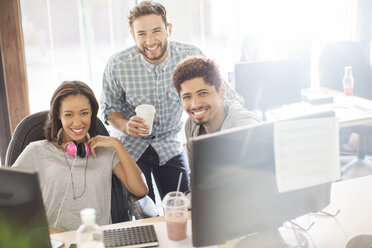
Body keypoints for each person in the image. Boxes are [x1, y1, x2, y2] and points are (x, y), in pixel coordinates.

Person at [100, 1, 243, 202]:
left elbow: (227, 96)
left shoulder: (189, 55)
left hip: (168, 145)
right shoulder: (117, 64)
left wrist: (241, 130)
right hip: (131, 147)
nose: (150, 41)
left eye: (156, 31)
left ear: (169, 29)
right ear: (132, 35)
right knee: (142, 210)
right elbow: (109, 110)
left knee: (181, 204)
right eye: (141, 34)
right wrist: (125, 125)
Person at [12, 81, 148, 231]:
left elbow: (140, 190)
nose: (77, 122)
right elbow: (8, 200)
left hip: (98, 240)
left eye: (84, 113)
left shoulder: (107, 151)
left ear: (92, 113)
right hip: (57, 242)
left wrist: (117, 144)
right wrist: (45, 230)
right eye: (69, 115)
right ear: (58, 115)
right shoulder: (37, 151)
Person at [173, 56, 260, 159]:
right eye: (187, 97)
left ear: (221, 92)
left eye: (203, 93)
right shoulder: (191, 125)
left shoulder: (244, 128)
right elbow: (197, 171)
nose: (195, 104)